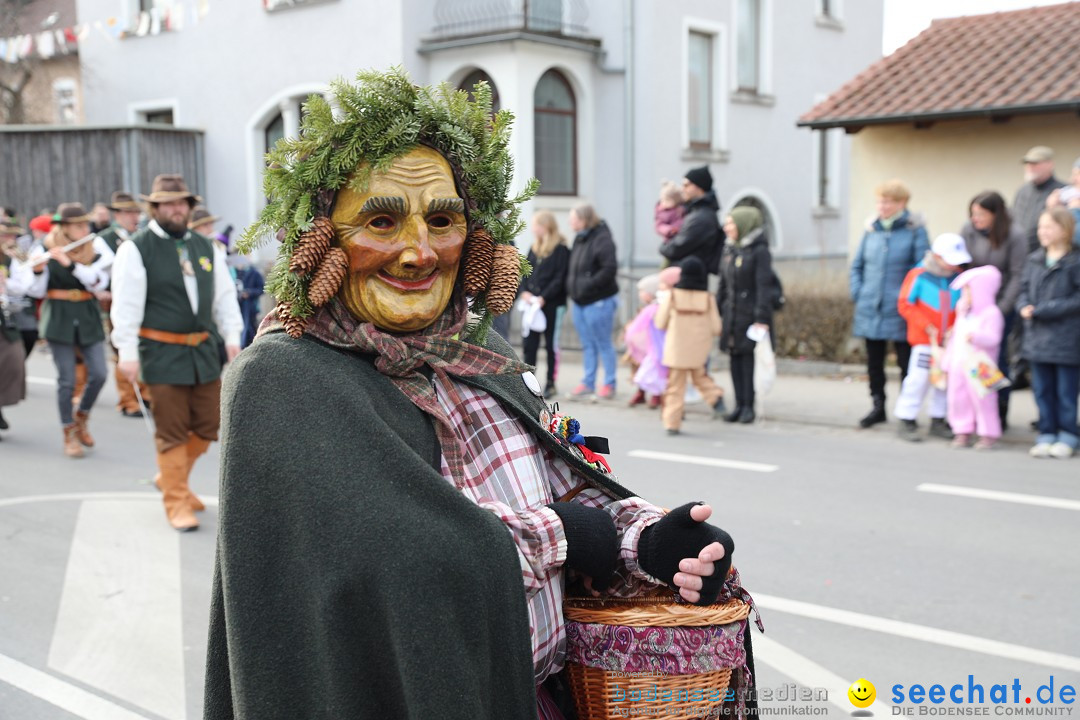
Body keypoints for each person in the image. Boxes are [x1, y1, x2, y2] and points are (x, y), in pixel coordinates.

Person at [204, 70, 747, 720]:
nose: (418, 251)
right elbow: (398, 562)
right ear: (322, 240)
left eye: (442, 219)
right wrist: (565, 535)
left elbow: (566, 489)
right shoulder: (283, 379)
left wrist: (652, 542)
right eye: (381, 220)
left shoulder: (480, 354)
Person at [110, 174, 244, 531]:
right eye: (168, 203)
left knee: (208, 425)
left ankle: (173, 478)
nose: (176, 209)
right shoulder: (136, 248)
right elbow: (125, 303)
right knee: (171, 430)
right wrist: (126, 351)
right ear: (155, 208)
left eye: (182, 203)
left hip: (202, 352)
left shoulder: (206, 247)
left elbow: (224, 296)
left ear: (189, 207)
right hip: (160, 352)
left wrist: (232, 334)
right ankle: (176, 500)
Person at [9, 204, 114, 457]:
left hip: (87, 313)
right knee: (66, 379)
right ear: (64, 228)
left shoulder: (96, 246)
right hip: (58, 315)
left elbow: (99, 280)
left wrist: (70, 264)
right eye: (78, 225)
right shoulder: (44, 246)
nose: (84, 229)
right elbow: (34, 291)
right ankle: (68, 432)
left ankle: (82, 416)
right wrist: (37, 270)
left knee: (99, 373)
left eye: (85, 224)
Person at [850, 179, 930, 428]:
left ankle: (907, 412)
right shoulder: (871, 229)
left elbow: (921, 269)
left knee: (907, 364)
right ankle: (878, 406)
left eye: (887, 201)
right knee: (874, 362)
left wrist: (908, 299)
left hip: (900, 309)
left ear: (901, 203)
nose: (881, 206)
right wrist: (859, 292)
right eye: (879, 201)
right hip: (870, 306)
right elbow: (857, 265)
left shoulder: (914, 230)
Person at [959, 191, 1026, 428]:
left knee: (996, 358)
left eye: (981, 214)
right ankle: (971, 411)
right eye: (973, 213)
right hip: (972, 307)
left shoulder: (1015, 235)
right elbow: (964, 266)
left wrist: (1001, 308)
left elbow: (1018, 274)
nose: (975, 218)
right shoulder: (968, 230)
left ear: (995, 214)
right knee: (968, 357)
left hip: (999, 307)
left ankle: (999, 408)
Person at [894, 233, 971, 442]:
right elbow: (904, 304)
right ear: (936, 256)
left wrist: (955, 329)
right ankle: (906, 417)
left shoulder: (958, 278)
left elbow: (964, 307)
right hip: (924, 341)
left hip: (949, 342)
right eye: (949, 261)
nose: (954, 266)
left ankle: (938, 418)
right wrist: (926, 326)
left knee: (944, 381)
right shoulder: (918, 275)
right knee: (918, 380)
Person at [1017, 208, 1080, 459]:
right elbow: (1023, 289)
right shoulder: (1034, 260)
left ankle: (1068, 434)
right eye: (1041, 227)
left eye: (1048, 227)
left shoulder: (1075, 261)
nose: (1042, 232)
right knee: (1042, 389)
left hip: (1067, 337)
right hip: (1037, 337)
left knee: (1066, 391)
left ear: (1064, 230)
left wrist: (1046, 309)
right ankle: (1046, 432)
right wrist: (1023, 307)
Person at [97, 191, 153, 418]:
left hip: (144, 299)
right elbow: (100, 273)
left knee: (146, 346)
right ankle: (127, 399)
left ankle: (145, 392)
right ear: (117, 214)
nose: (134, 216)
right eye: (129, 212)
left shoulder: (142, 236)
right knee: (123, 348)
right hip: (117, 300)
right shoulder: (104, 239)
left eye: (136, 212)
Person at [655, 256, 726, 435]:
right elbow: (717, 327)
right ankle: (715, 398)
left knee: (675, 387)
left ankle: (672, 423)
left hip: (677, 349)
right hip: (698, 349)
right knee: (700, 377)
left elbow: (660, 322)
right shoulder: (708, 298)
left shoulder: (672, 296)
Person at [717, 206, 773, 424]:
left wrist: (761, 318)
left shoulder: (759, 251)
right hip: (731, 314)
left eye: (731, 223)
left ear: (743, 224)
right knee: (734, 358)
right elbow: (723, 284)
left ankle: (748, 406)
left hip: (750, 316)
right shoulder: (730, 249)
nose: (727, 228)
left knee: (748, 359)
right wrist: (720, 308)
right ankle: (738, 404)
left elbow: (764, 287)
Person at [944, 266, 1004, 450]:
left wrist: (977, 337)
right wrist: (947, 360)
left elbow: (994, 338)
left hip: (981, 365)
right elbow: (955, 338)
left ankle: (988, 433)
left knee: (984, 400)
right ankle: (962, 430)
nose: (966, 295)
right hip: (959, 363)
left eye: (969, 291)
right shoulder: (963, 313)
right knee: (958, 397)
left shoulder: (991, 313)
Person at [566, 203, 619, 399]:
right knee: (587, 344)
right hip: (580, 301)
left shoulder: (602, 238)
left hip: (598, 301)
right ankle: (588, 382)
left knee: (603, 342)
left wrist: (587, 286)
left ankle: (609, 383)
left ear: (585, 220)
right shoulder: (579, 239)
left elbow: (609, 269)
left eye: (574, 219)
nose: (571, 223)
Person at [521, 210, 569, 397]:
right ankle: (529, 380)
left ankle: (551, 382)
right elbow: (525, 271)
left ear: (546, 226)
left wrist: (544, 297)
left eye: (537, 226)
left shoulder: (560, 249)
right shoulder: (534, 248)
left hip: (551, 304)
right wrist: (524, 291)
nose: (534, 229)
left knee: (551, 345)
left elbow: (560, 277)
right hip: (533, 304)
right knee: (529, 344)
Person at [659, 166, 722, 273]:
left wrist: (663, 246)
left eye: (686, 185)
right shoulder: (694, 211)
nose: (683, 189)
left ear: (699, 187)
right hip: (683, 274)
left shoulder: (702, 217)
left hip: (688, 279)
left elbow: (678, 247)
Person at [0, 225, 27, 438]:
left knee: (13, 359)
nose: (10, 239)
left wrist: (5, 284)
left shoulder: (10, 259)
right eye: (5, 235)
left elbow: (24, 287)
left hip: (4, 317)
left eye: (12, 235)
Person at [1013, 146, 1066, 253]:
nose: (1030, 167)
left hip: (1047, 255)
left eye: (1035, 164)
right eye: (1028, 164)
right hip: (1019, 253)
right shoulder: (1022, 191)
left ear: (1050, 165)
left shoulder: (1061, 192)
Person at [623, 273, 663, 408]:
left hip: (653, 347)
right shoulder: (644, 309)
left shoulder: (657, 308)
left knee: (654, 372)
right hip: (642, 347)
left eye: (642, 291)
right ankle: (641, 392)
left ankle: (656, 395)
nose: (640, 294)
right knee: (640, 370)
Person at [654, 180, 685, 255]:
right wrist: (669, 230)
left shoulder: (680, 209)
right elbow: (659, 226)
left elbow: (682, 221)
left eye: (667, 200)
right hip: (669, 241)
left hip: (680, 239)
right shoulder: (662, 212)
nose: (664, 203)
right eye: (662, 200)